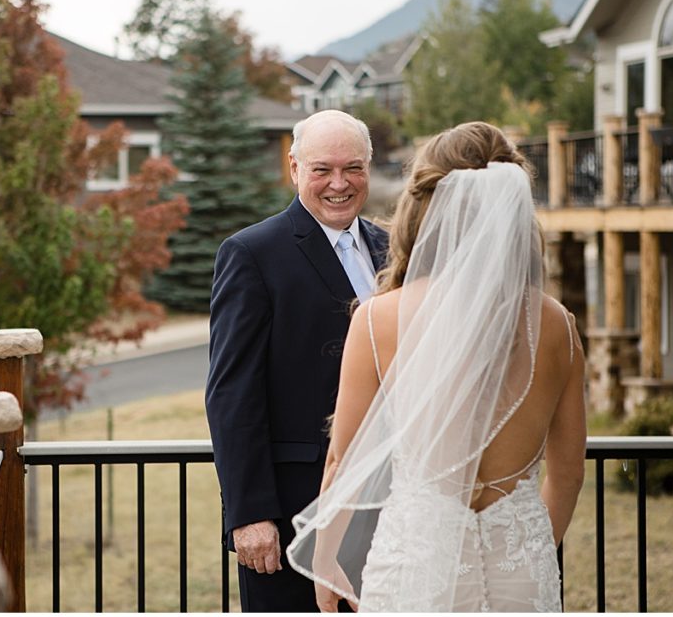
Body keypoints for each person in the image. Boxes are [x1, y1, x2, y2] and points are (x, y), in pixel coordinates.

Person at [287, 121, 587, 612]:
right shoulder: (555, 323)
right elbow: (569, 471)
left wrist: (325, 556)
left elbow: (343, 462)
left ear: (426, 205)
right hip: (522, 570)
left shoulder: (379, 319)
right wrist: (530, 546)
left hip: (417, 562)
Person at [206, 109, 389, 612]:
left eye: (353, 168)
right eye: (321, 169)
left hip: (389, 505)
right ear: (294, 168)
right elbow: (232, 394)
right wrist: (249, 514)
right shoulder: (251, 253)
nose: (339, 183)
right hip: (291, 515)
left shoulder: (393, 248)